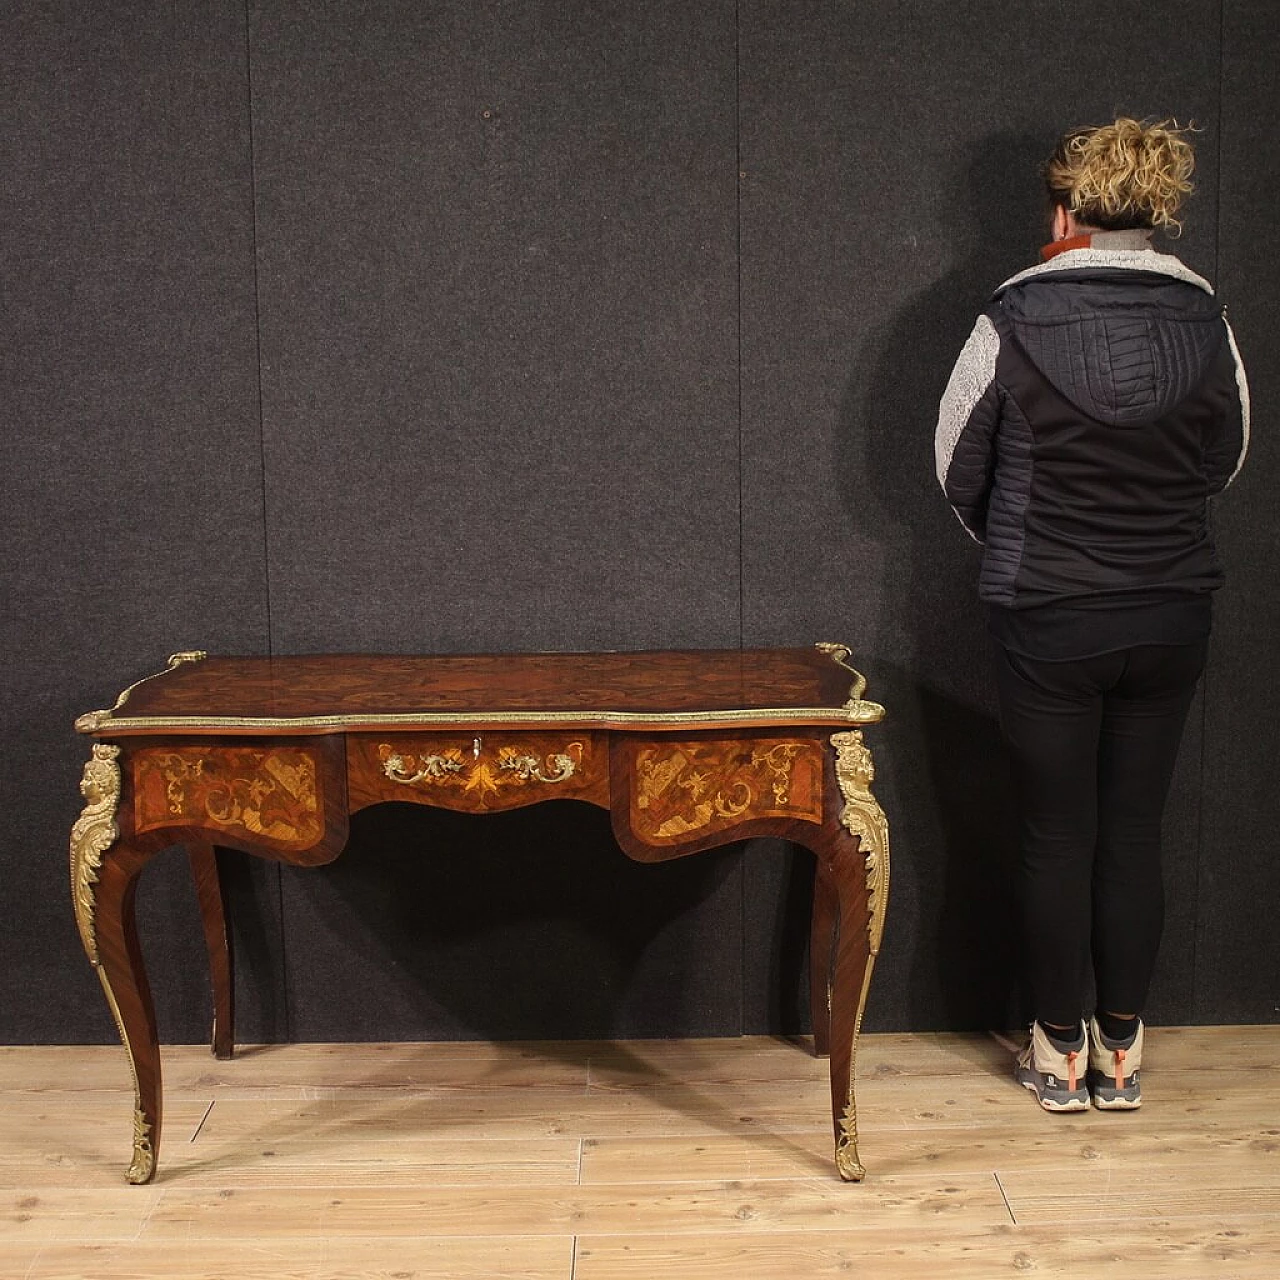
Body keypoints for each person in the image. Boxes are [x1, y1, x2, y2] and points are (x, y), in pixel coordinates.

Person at [934, 118, 1249, 1111]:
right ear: (1157, 214)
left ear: (1063, 211)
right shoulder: (1208, 322)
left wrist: (1028, 547)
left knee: (1053, 835)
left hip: (1045, 616)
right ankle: (1121, 1051)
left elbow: (953, 473)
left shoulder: (1008, 320)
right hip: (1168, 611)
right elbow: (1222, 461)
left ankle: (1055, 1049)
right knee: (1132, 832)